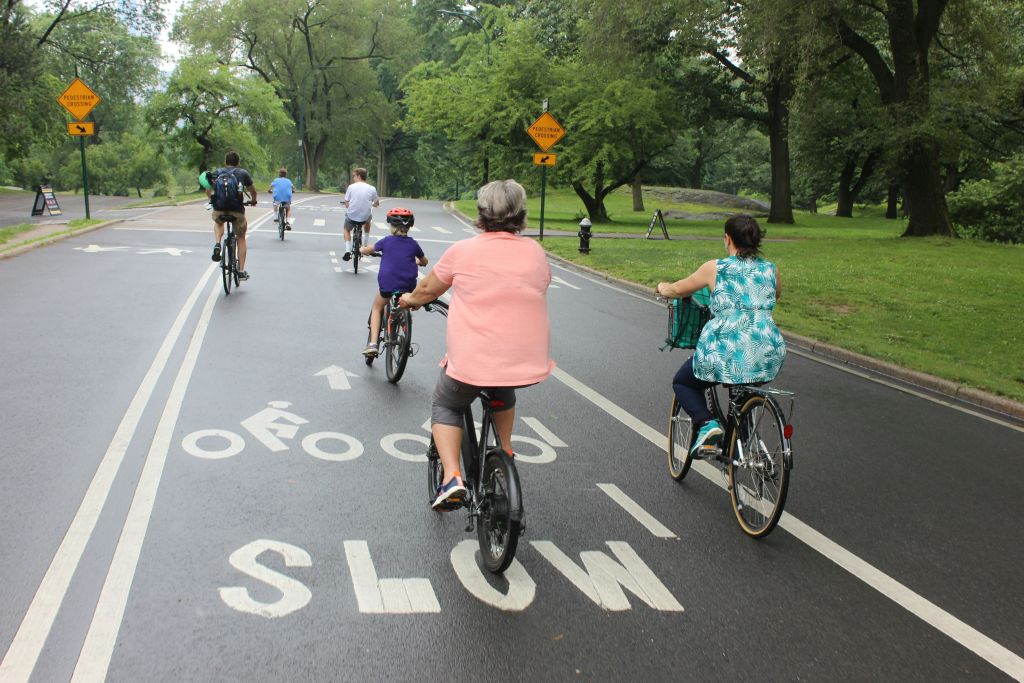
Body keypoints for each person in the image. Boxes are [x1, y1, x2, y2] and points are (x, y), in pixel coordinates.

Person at [400, 179, 555, 510]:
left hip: (471, 365)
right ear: (522, 214)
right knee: (502, 386)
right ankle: (506, 451)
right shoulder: (536, 253)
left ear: (482, 213)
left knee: (447, 402)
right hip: (526, 363)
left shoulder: (464, 251)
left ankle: (452, 477)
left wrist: (409, 301)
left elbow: (428, 290)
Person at [656, 214, 786, 456]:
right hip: (767, 349)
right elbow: (773, 296)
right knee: (743, 388)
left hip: (726, 348)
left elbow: (677, 289)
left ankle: (706, 425)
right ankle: (738, 451)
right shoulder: (771, 270)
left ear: (728, 238)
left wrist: (663, 287)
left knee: (683, 381)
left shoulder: (715, 268)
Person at [359, 207, 429, 357]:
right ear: (409, 227)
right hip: (408, 285)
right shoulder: (413, 244)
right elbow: (424, 260)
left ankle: (372, 344)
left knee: (377, 308)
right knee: (403, 300)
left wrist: (361, 249)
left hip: (388, 284)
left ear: (391, 226)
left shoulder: (386, 241)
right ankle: (403, 322)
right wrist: (419, 261)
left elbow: (369, 250)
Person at [209, 151, 258, 281]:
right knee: (241, 237)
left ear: (225, 162)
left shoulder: (217, 172)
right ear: (238, 162)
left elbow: (208, 189)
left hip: (219, 209)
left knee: (218, 222)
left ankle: (218, 244)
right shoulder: (242, 173)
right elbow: (252, 190)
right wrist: (253, 200)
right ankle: (241, 271)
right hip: (237, 210)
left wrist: (212, 201)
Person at [341, 167, 379, 261]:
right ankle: (365, 245)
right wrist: (373, 204)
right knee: (368, 219)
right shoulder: (372, 188)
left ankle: (348, 251)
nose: (353, 178)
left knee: (346, 229)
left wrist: (348, 205)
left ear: (358, 176)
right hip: (364, 217)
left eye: (354, 176)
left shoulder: (351, 187)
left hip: (352, 216)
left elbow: (346, 203)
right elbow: (376, 203)